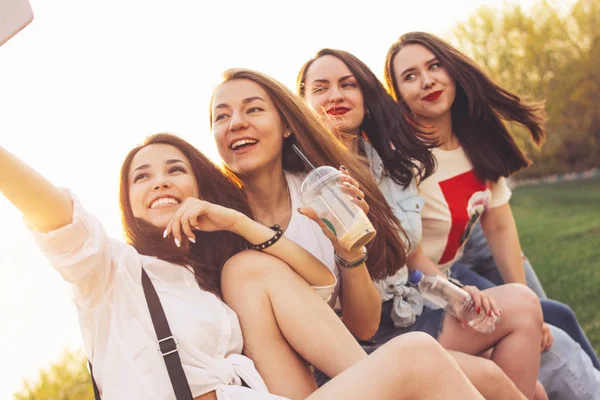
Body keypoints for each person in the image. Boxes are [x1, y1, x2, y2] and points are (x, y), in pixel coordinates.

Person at [0, 133, 486, 400]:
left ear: (199, 187)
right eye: (141, 177)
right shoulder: (112, 273)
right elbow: (57, 217)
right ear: (128, 203)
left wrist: (237, 222)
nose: (159, 181)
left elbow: (319, 289)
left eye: (175, 169)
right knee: (418, 356)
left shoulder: (223, 277)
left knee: (447, 370)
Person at [211, 67, 544, 400]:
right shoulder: (218, 219)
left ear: (286, 124)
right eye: (220, 116)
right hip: (297, 377)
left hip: (355, 348)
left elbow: (364, 327)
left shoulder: (323, 192)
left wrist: (351, 252)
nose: (235, 123)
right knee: (487, 376)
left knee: (513, 360)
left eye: (253, 109)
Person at [383, 31, 600, 400]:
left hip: (451, 276)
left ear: (451, 70)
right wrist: (463, 300)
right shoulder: (403, 158)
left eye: (434, 66)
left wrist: (533, 306)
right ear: (399, 95)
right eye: (410, 76)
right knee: (556, 351)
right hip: (420, 295)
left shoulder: (475, 141)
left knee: (554, 318)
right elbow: (408, 252)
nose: (427, 80)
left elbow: (498, 226)